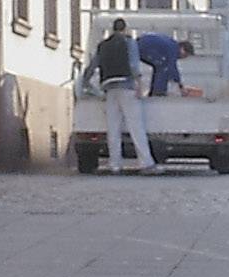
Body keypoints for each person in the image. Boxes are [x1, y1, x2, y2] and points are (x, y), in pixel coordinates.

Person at [84, 18, 161, 174]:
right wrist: (139, 83)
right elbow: (133, 64)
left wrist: (87, 83)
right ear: (125, 29)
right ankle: (145, 163)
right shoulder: (129, 42)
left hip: (109, 88)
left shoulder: (103, 45)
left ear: (113, 29)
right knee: (136, 127)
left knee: (113, 128)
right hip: (127, 87)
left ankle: (115, 165)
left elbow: (92, 67)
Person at [136, 31, 202, 99]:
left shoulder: (172, 45)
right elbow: (172, 67)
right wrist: (180, 86)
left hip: (142, 44)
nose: (183, 58)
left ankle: (157, 90)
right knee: (163, 66)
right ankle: (158, 92)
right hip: (143, 47)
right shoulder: (173, 49)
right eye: (185, 55)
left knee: (162, 64)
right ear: (182, 49)